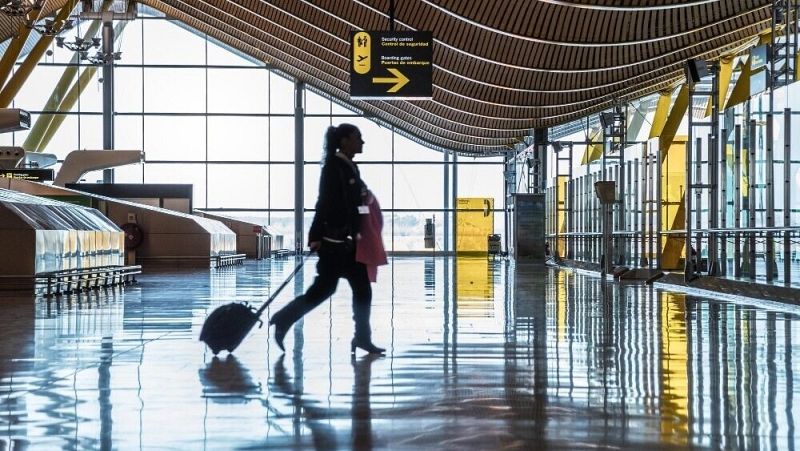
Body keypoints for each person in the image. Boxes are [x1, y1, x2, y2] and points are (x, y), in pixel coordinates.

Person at [269, 123, 385, 355]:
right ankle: (283, 318)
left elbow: (354, 201)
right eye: (358, 137)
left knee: (362, 290)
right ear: (344, 140)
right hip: (333, 245)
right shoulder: (334, 166)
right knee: (323, 291)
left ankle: (362, 338)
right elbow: (323, 202)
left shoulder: (350, 167)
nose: (362, 142)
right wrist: (315, 236)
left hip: (348, 245)